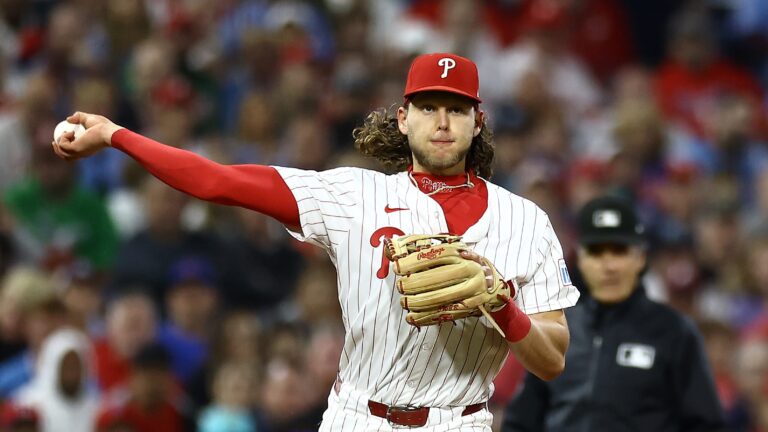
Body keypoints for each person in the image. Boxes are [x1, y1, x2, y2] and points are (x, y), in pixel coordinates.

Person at [52, 52, 580, 429]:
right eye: (428, 106)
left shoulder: (525, 221)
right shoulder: (351, 195)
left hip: (459, 422)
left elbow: (552, 359)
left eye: (456, 109)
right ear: (403, 117)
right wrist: (115, 134)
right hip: (357, 416)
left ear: (476, 121)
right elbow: (217, 180)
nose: (442, 122)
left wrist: (501, 304)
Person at [502, 195, 727, 432]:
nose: (609, 265)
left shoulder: (674, 331)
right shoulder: (559, 329)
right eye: (597, 252)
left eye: (619, 251)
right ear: (581, 259)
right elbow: (521, 422)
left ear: (640, 258)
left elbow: (706, 424)